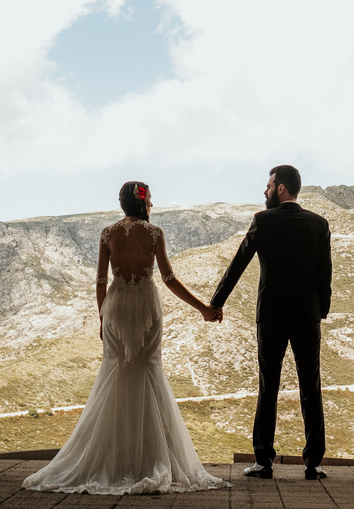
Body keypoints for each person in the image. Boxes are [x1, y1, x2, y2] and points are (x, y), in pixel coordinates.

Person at [22, 181, 229, 495]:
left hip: (116, 308)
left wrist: (102, 317)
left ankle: (114, 458)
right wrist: (203, 308)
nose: (152, 205)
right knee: (149, 372)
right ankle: (154, 458)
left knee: (115, 375)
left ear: (122, 204)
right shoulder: (155, 233)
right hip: (146, 307)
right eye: (150, 200)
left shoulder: (108, 233)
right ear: (143, 204)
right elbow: (169, 279)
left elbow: (100, 281)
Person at [210, 165, 332, 481]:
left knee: (269, 387)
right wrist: (321, 311)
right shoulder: (319, 225)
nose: (264, 192)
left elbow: (238, 263)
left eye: (268, 186)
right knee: (311, 387)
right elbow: (324, 274)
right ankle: (313, 464)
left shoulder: (263, 221)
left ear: (280, 188)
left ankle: (263, 461)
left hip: (272, 317)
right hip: (306, 318)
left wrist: (217, 302)